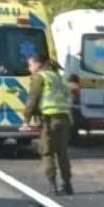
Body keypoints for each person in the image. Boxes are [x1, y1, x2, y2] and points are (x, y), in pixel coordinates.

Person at [23, 54, 73, 196]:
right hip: (64, 118)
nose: (29, 68)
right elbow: (68, 96)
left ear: (38, 64)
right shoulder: (58, 77)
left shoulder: (40, 77)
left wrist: (26, 119)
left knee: (48, 152)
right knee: (62, 152)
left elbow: (33, 98)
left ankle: (53, 186)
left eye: (30, 65)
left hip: (48, 119)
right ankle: (68, 184)